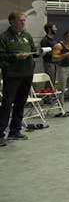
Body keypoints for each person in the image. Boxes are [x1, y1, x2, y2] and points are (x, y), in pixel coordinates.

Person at [0, 11, 39, 146]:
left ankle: (15, 130)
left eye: (24, 20)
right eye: (20, 20)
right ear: (12, 22)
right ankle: (0, 134)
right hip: (12, 75)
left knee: (21, 103)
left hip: (27, 74)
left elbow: (33, 50)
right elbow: (1, 57)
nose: (23, 23)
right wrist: (16, 57)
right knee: (6, 104)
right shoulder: (4, 37)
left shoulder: (27, 36)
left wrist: (37, 53)